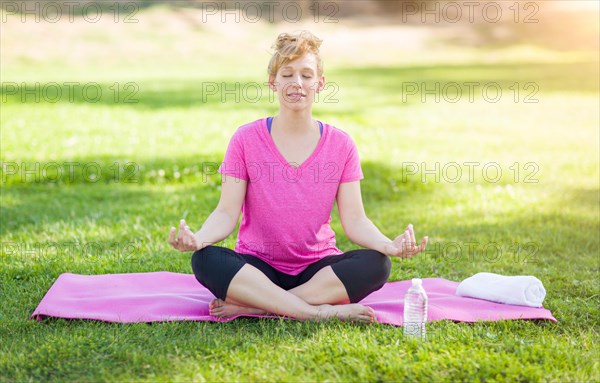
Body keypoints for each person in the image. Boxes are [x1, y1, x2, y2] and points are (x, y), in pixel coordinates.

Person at [168, 30, 428, 323]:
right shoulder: (245, 139)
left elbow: (355, 220)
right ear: (272, 82)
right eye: (287, 74)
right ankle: (314, 312)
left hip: (317, 270)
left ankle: (259, 307)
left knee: (377, 264)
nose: (297, 83)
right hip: (258, 267)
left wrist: (387, 246)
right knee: (205, 260)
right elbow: (226, 213)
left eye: (306, 75)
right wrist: (199, 239)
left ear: (320, 83)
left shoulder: (341, 145)